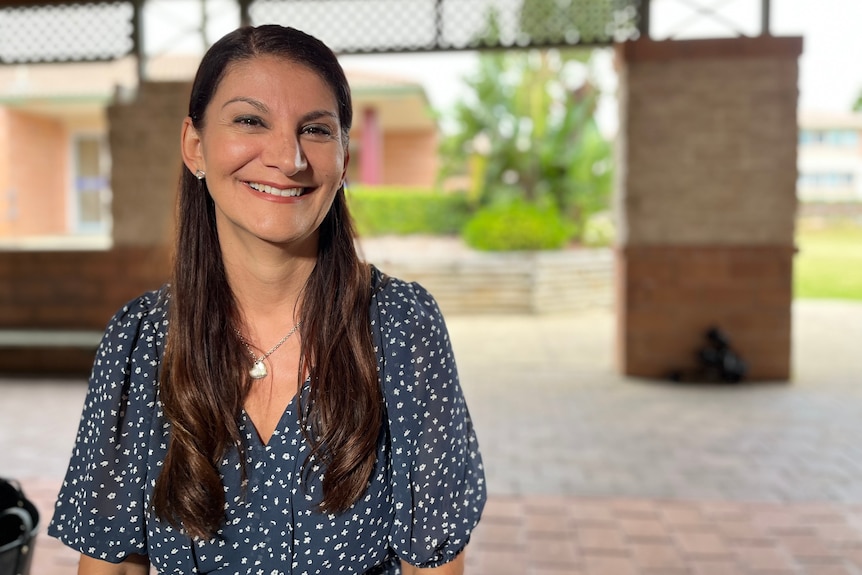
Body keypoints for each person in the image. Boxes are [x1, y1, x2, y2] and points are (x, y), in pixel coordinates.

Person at [48, 24, 485, 574]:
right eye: (250, 120)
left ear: (344, 159)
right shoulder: (138, 342)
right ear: (195, 145)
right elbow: (110, 563)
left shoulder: (401, 328)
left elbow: (435, 564)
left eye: (317, 130)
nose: (288, 157)